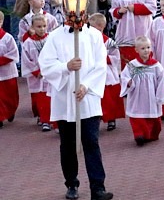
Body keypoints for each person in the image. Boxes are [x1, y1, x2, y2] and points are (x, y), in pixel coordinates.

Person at [38, 13, 113, 200]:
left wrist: (86, 85)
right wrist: (66, 67)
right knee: (68, 144)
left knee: (91, 142)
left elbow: (100, 65)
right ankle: (71, 183)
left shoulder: (94, 36)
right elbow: (45, 64)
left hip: (87, 98)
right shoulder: (55, 36)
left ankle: (98, 187)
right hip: (65, 98)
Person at [119, 35, 164, 145]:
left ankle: (150, 135)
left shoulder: (156, 66)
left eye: (148, 47)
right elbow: (124, 76)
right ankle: (139, 135)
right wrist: (128, 82)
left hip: (151, 97)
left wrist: (160, 96)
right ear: (136, 50)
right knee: (137, 117)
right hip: (137, 96)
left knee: (152, 118)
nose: (146, 50)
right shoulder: (132, 65)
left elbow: (161, 81)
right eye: (143, 48)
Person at [110, 0, 157, 69]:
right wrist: (119, 11)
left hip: (142, 28)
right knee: (127, 61)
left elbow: (153, 7)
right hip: (125, 31)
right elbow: (113, 11)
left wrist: (135, 8)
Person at [21, 15, 52, 131]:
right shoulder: (28, 43)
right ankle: (43, 118)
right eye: (39, 26)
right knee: (40, 99)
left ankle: (48, 120)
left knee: (49, 98)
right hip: (37, 76)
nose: (42, 29)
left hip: (49, 74)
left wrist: (49, 69)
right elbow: (26, 59)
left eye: (44, 26)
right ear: (32, 27)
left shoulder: (50, 39)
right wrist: (36, 71)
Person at [0, 12, 19, 128]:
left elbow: (13, 54)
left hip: (7, 72)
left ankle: (11, 110)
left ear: (1, 22)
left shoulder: (7, 38)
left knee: (10, 96)